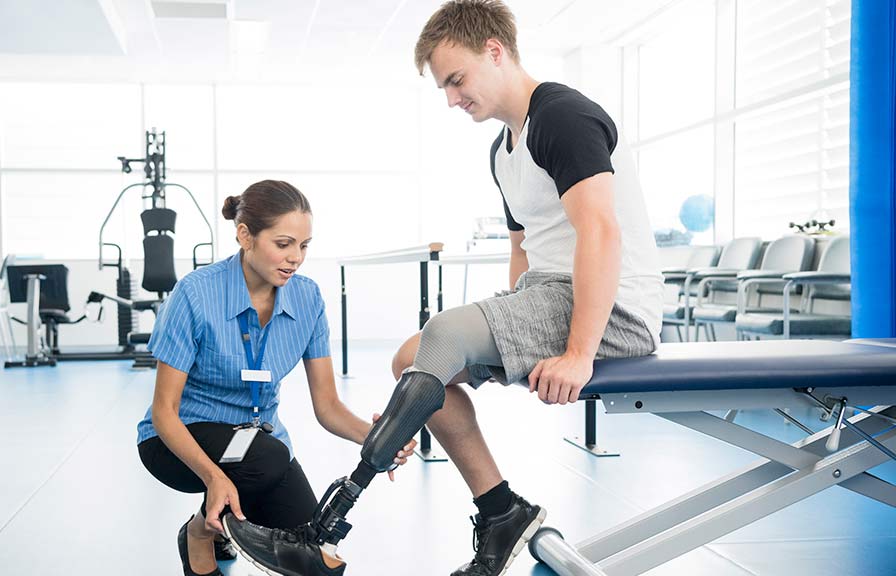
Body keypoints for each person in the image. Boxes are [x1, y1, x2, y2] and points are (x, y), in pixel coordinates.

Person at [223, 2, 665, 575]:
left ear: (495, 51)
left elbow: (601, 231)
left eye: (457, 80)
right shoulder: (503, 148)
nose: (453, 99)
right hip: (553, 294)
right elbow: (521, 250)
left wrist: (579, 353)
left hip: (614, 308)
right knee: (414, 358)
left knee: (441, 334)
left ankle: (325, 527)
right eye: (444, 88)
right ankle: (500, 510)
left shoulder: (563, 116)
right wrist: (516, 335)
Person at [136, 180, 417, 576]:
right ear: (245, 235)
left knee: (313, 555)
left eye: (304, 246)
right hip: (180, 437)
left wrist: (376, 439)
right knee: (267, 456)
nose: (295, 258)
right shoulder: (195, 294)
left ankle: (223, 519)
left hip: (260, 449)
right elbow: (164, 412)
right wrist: (215, 479)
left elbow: (328, 405)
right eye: (283, 244)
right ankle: (200, 533)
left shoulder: (307, 299)